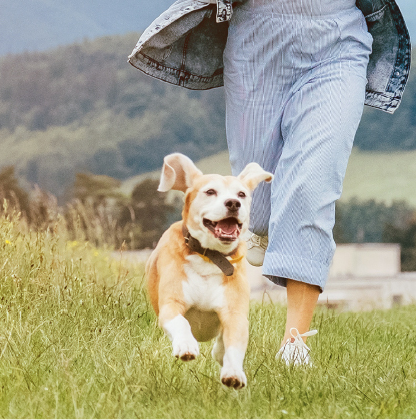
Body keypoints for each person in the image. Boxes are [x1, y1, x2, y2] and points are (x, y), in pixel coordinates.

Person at [128, 0, 409, 366]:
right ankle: (262, 228)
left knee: (312, 186)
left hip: (338, 42)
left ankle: (295, 342)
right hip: (256, 42)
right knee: (256, 206)